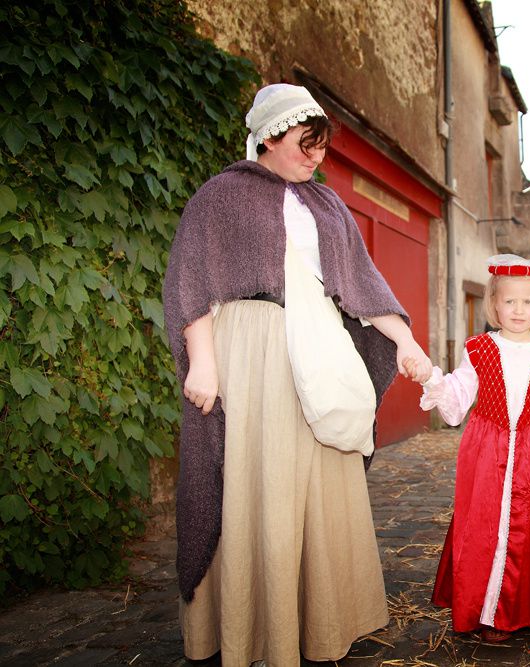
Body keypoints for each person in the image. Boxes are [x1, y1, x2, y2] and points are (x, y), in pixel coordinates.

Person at [162, 83, 432, 665]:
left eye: (320, 147)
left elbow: (361, 285)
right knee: (257, 479)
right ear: (269, 136)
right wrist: (203, 361)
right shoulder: (220, 198)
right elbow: (194, 285)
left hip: (319, 351)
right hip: (252, 353)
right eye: (304, 145)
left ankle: (322, 620)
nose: (315, 157)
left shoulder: (327, 205)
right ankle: (249, 626)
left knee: (322, 471)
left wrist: (407, 343)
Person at [408, 255, 530, 642]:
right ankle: (490, 613)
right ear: (494, 304)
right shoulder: (480, 349)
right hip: (487, 452)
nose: (518, 310)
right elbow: (458, 400)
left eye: (527, 302)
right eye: (509, 301)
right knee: (486, 529)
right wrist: (432, 378)